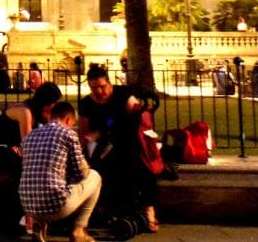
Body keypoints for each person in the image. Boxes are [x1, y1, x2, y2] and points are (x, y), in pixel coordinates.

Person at [78, 64, 158, 232]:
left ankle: (149, 209)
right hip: (103, 147)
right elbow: (84, 133)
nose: (99, 91)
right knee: (103, 171)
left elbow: (138, 113)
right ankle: (109, 210)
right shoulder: (86, 103)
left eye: (102, 86)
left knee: (142, 169)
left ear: (109, 83)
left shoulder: (122, 94)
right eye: (94, 88)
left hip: (128, 141)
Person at [19, 101, 101, 242]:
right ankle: (79, 230)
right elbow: (81, 172)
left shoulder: (30, 136)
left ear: (51, 116)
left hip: (27, 204)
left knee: (43, 182)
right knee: (95, 177)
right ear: (69, 119)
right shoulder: (68, 133)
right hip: (55, 205)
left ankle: (39, 225)